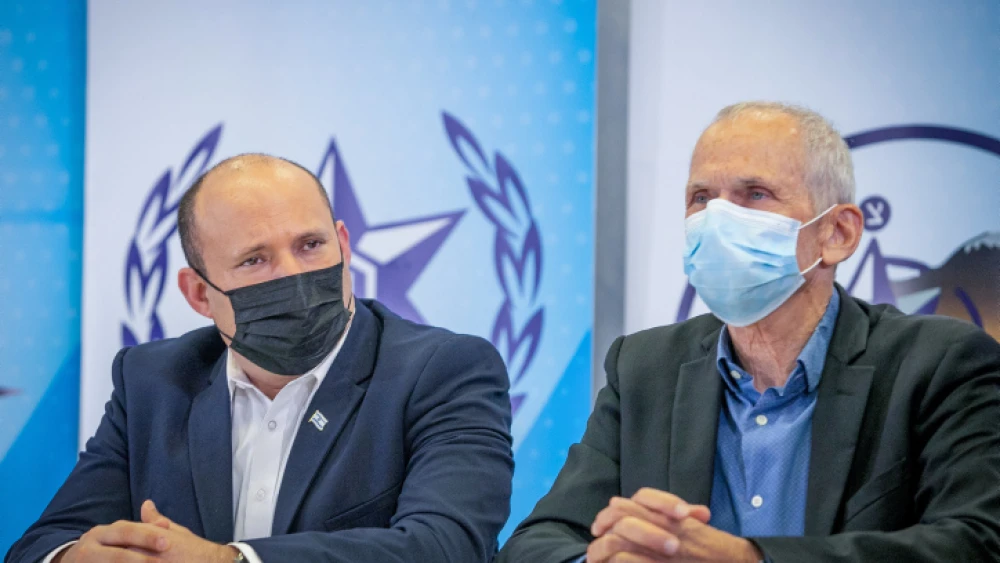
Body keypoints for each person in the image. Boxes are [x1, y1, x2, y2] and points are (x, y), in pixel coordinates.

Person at [498, 102, 1000, 562]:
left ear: (838, 234)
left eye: (754, 195)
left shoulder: (939, 364)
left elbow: (975, 541)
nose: (718, 219)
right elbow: (535, 543)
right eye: (701, 198)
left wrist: (748, 559)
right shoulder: (645, 368)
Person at [6, 154, 514, 563]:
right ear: (199, 295)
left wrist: (229, 562)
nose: (292, 275)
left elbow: (447, 547)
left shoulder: (445, 370)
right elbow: (41, 543)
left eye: (311, 245)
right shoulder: (151, 381)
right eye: (256, 260)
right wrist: (77, 557)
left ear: (343, 244)